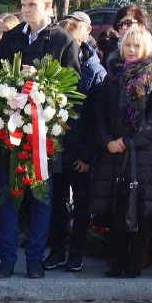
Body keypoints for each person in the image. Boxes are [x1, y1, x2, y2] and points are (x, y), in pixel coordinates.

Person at [0, 0, 80, 280]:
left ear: (48, 7)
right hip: (11, 132)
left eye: (32, 4)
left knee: (41, 199)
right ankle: (6, 260)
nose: (25, 10)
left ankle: (34, 261)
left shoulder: (63, 41)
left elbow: (75, 89)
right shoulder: (13, 38)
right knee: (8, 196)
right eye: (23, 4)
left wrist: (42, 85)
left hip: (45, 137)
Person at [90, 25, 152, 279]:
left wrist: (133, 141)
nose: (131, 50)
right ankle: (117, 260)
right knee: (116, 208)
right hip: (114, 152)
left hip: (142, 154)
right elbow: (99, 113)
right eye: (127, 45)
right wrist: (108, 141)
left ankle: (135, 262)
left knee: (140, 209)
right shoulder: (111, 75)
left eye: (136, 45)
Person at [41, 14, 107, 273]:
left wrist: (87, 155)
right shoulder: (54, 64)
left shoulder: (94, 69)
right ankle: (56, 251)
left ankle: (76, 254)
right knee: (56, 203)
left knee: (81, 204)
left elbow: (95, 117)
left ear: (82, 37)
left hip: (81, 152)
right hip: (57, 149)